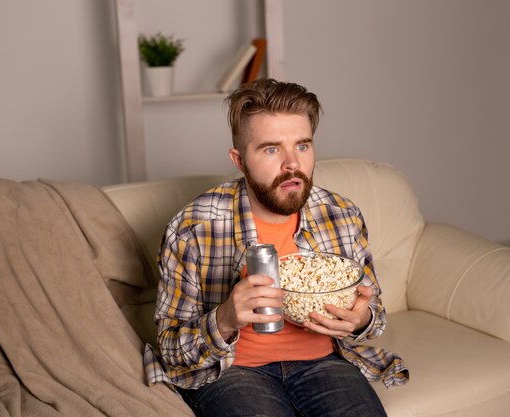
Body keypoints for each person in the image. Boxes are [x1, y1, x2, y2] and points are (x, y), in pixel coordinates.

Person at [143, 78, 408, 417]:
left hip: (325, 362)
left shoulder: (341, 215)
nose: (292, 164)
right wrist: (224, 318)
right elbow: (171, 348)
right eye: (271, 149)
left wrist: (360, 319)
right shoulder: (192, 228)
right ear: (239, 160)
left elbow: (375, 315)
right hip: (233, 371)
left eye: (302, 145)